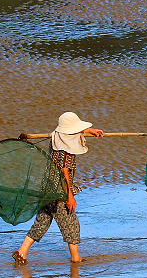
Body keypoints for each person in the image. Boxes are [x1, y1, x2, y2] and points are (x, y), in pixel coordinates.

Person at [12, 111, 105, 265]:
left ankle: (22, 252)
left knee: (42, 221)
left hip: (47, 189)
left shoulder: (56, 138)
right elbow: (64, 174)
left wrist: (89, 131)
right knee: (71, 223)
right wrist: (69, 196)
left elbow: (69, 133)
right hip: (58, 192)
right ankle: (75, 258)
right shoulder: (66, 150)